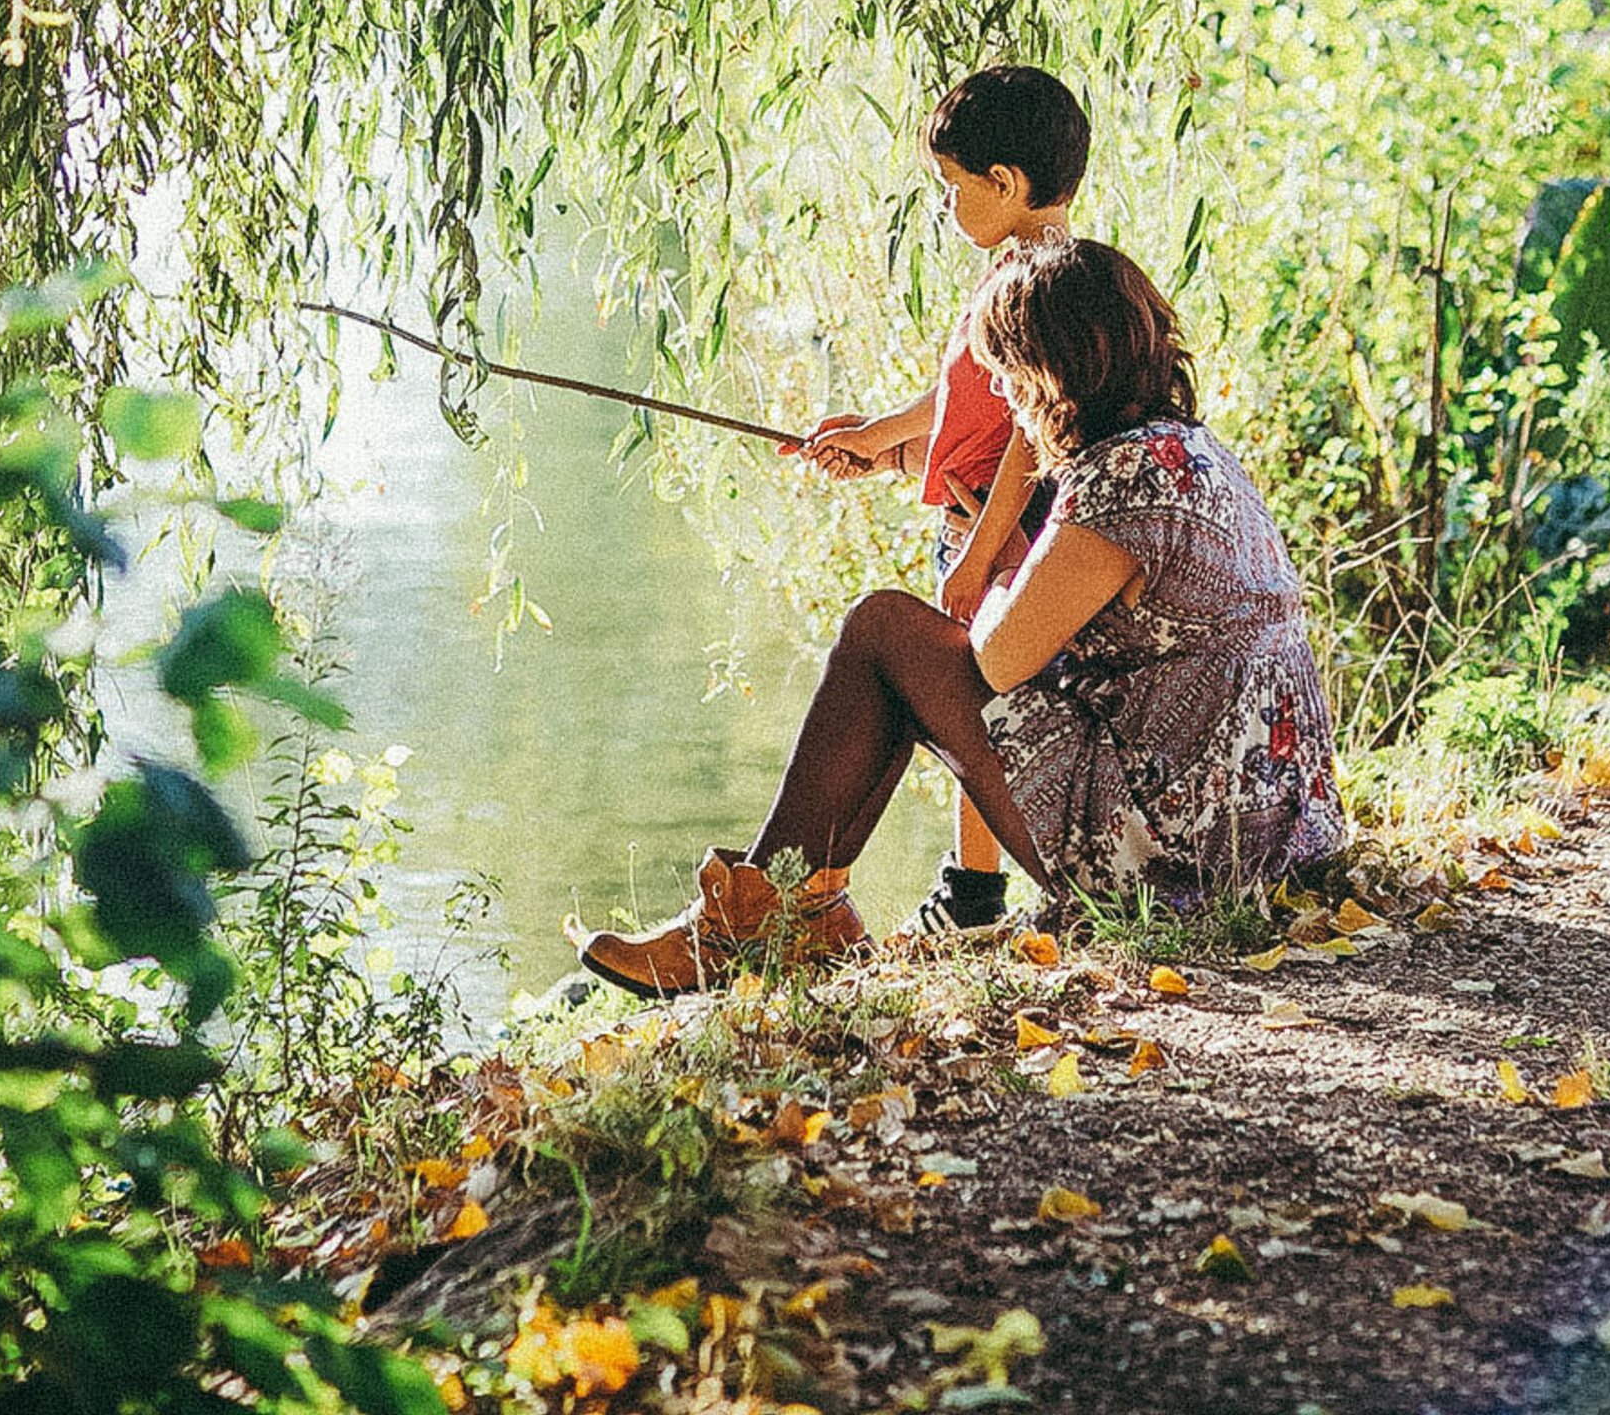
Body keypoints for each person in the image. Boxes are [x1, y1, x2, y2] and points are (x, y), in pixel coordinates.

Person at [570, 235, 1345, 997]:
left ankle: (754, 925)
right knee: (901, 648)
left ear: (1053, 373)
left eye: (1006, 375)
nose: (1003, 398)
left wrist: (1004, 563)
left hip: (1183, 860)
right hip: (1274, 835)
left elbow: (999, 662)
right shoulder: (1185, 450)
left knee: (885, 631)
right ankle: (793, 912)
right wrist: (894, 457)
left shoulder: (1118, 483)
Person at [790, 65, 1088, 934]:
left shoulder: (1033, 285)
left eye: (954, 186)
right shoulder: (1018, 274)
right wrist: (877, 442)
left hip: (1004, 538)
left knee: (976, 705)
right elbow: (957, 404)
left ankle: (974, 892)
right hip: (978, 526)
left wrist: (985, 548)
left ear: (1006, 184)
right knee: (968, 703)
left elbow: (1030, 435)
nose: (948, 205)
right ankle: (975, 888)